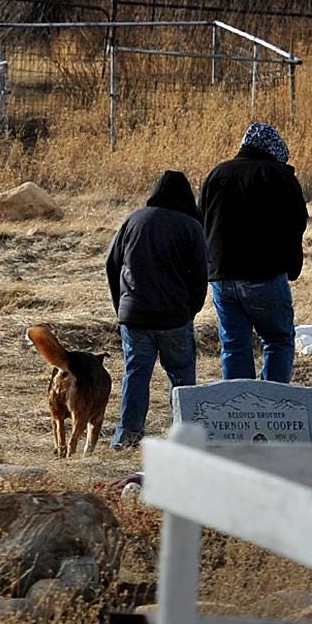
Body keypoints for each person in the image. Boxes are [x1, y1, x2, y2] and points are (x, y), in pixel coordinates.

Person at [198, 121, 308, 382]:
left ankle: (239, 411)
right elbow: (295, 224)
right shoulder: (279, 176)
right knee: (278, 340)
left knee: (234, 345)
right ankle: (271, 407)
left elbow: (201, 221)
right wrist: (292, 266)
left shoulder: (217, 174)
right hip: (264, 274)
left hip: (221, 276)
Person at [104, 170, 206, 448]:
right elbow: (199, 276)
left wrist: (121, 305)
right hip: (174, 316)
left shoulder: (133, 220)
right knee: (182, 376)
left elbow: (111, 263)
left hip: (134, 315)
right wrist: (191, 309)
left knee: (136, 374)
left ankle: (127, 435)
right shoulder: (190, 227)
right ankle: (185, 438)